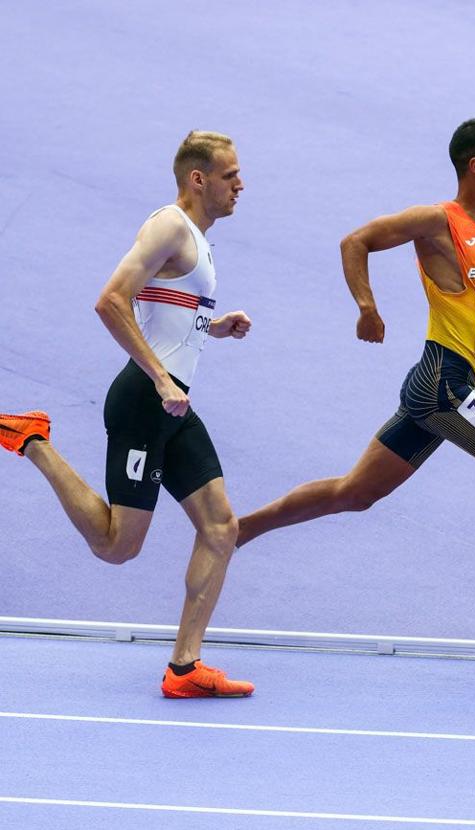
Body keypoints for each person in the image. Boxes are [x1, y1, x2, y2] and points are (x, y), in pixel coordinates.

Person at [233, 118, 475, 647]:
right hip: (446, 386)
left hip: (440, 389)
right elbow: (356, 241)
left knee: (355, 493)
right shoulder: (436, 221)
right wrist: (367, 308)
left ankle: (236, 530)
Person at [0, 131, 254, 698]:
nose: (241, 184)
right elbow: (111, 300)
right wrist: (162, 378)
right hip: (146, 402)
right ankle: (33, 440)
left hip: (171, 404)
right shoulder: (169, 225)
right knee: (118, 546)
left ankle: (184, 669)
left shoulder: (197, 239)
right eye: (230, 175)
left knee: (221, 527)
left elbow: (159, 313)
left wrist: (213, 326)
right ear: (198, 179)